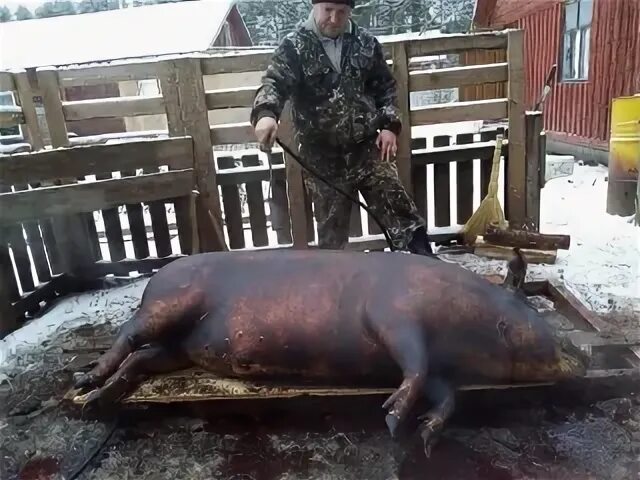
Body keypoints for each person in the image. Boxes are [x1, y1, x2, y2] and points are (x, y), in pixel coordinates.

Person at [250, 0, 433, 255]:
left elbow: (385, 87)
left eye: (342, 12)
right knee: (331, 232)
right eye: (328, 10)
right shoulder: (294, 47)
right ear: (315, 7)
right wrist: (266, 114)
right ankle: (335, 288)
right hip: (321, 157)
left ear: (350, 12)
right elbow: (274, 83)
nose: (334, 19)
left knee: (400, 209)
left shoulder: (365, 43)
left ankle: (426, 264)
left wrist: (390, 126)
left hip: (367, 148)